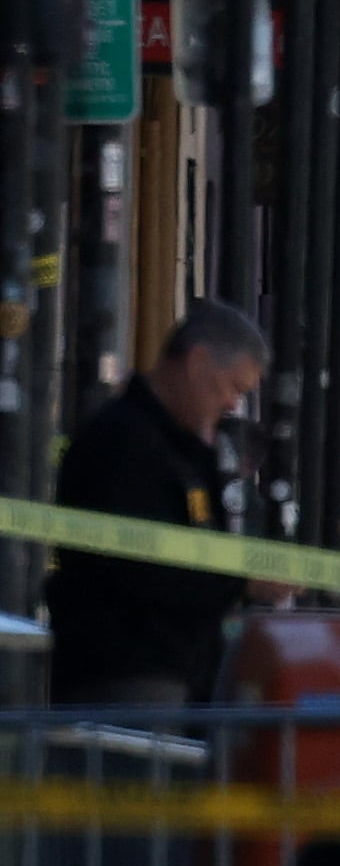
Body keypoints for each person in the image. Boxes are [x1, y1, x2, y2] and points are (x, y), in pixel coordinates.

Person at [49, 301, 269, 705]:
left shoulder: (187, 448)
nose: (233, 405)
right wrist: (242, 581)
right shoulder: (122, 443)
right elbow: (141, 567)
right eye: (233, 388)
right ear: (198, 363)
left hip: (184, 672)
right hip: (126, 677)